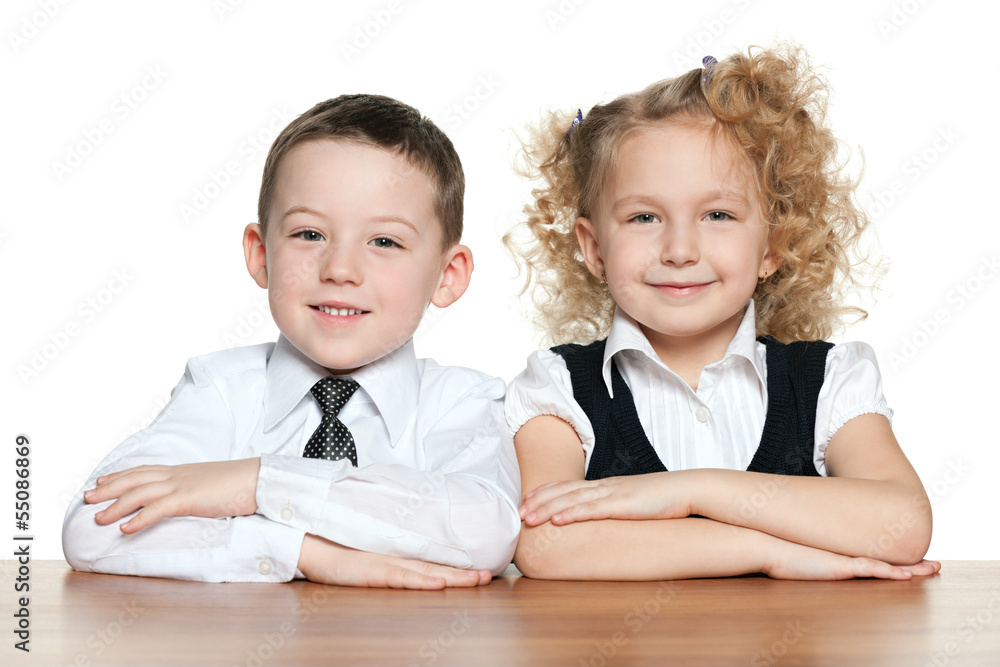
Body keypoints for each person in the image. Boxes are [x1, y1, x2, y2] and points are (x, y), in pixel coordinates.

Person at [504, 46, 939, 581]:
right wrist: (772, 552)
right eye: (644, 216)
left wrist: (689, 490)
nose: (680, 249)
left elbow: (902, 523)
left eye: (718, 214)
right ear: (594, 249)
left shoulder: (829, 380)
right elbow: (547, 544)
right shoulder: (557, 388)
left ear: (774, 245)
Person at [62, 94, 520, 589]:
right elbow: (95, 529)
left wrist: (257, 482)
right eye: (309, 234)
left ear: (447, 275)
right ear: (261, 254)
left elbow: (486, 531)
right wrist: (302, 552)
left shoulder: (462, 402)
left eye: (384, 241)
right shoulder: (221, 391)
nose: (341, 270)